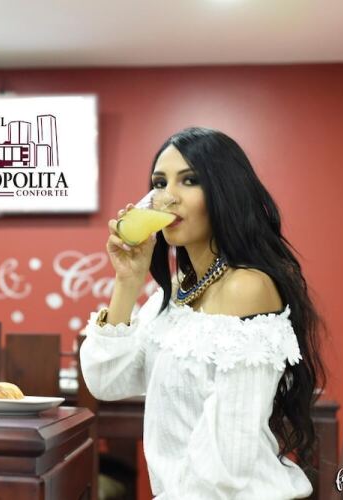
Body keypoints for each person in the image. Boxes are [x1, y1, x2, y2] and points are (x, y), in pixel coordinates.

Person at [79, 127, 326, 499]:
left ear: (225, 191)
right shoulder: (177, 293)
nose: (168, 196)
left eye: (190, 180)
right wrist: (127, 281)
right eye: (159, 183)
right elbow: (106, 381)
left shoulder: (246, 287)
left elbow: (227, 459)